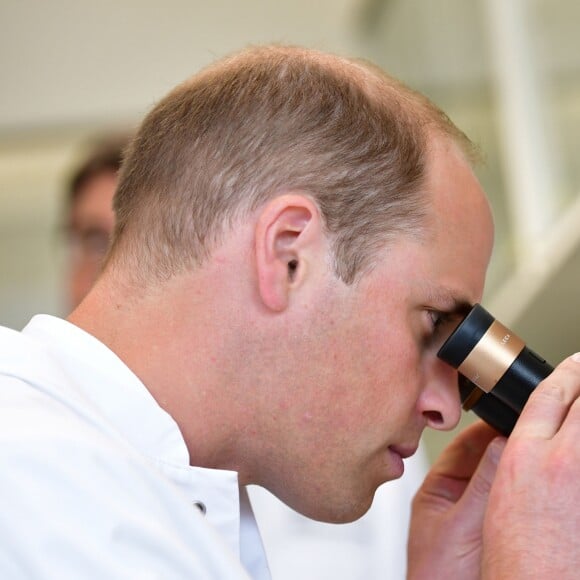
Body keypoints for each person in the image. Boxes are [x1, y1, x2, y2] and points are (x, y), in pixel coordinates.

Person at [1, 45, 578, 579]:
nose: (446, 408)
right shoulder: (48, 496)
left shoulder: (138, 488)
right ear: (288, 255)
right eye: (433, 323)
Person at [60, 134, 429, 579]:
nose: (113, 267)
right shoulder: (37, 457)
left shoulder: (360, 443)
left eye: (131, 241)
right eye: (96, 241)